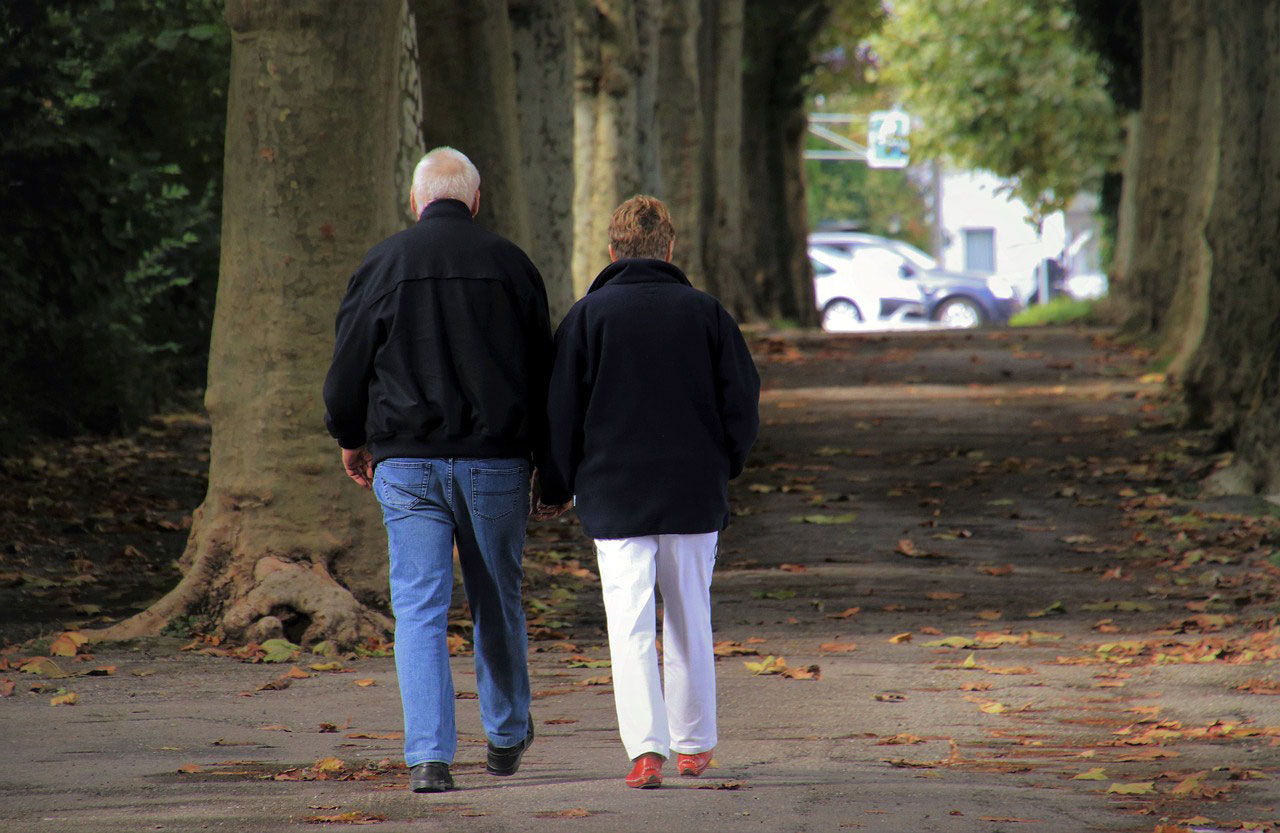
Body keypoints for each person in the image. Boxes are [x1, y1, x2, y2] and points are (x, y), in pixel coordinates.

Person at [322, 147, 552, 794]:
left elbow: (347, 367)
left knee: (419, 608)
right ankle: (506, 733)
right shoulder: (513, 266)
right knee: (496, 599)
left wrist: (351, 435)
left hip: (407, 462)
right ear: (476, 200)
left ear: (417, 201)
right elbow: (545, 375)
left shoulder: (383, 262)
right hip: (496, 463)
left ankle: (428, 755)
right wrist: (550, 464)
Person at [538, 195, 760, 789]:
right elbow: (741, 402)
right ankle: (695, 743)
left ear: (611, 252)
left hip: (613, 495)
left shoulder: (587, 318)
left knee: (629, 624)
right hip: (693, 491)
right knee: (691, 615)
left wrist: (556, 484)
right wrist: (726, 465)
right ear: (670, 249)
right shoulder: (707, 314)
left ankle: (646, 749)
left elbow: (561, 413)